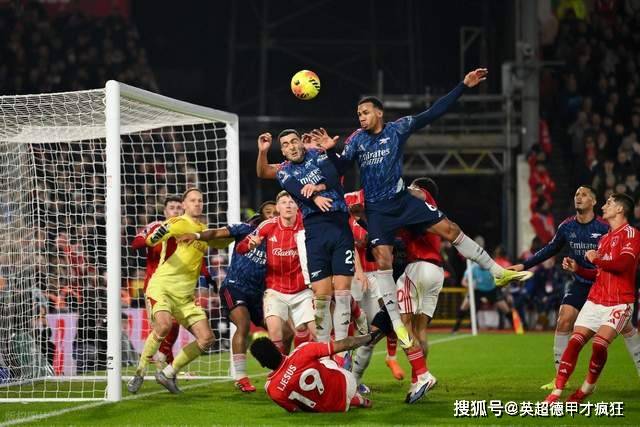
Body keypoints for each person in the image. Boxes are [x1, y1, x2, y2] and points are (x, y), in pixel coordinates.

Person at [310, 68, 532, 349]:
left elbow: (433, 113)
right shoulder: (356, 140)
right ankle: (397, 325)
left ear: (379, 113)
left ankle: (497, 272)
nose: (361, 117)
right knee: (383, 260)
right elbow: (341, 167)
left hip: (402, 201)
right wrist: (330, 151)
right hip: (377, 210)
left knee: (450, 229)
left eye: (365, 112)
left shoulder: (397, 129)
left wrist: (463, 86)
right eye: (358, 114)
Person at [507, 186, 634, 389]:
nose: (579, 197)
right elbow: (550, 249)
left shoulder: (605, 227)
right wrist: (523, 265)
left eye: (584, 194)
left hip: (604, 285)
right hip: (580, 283)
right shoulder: (567, 226)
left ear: (594, 201)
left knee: (627, 329)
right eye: (576, 194)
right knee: (564, 319)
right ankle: (559, 378)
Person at [255, 130, 355, 352]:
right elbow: (291, 187)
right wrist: (263, 152)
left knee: (342, 292)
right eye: (285, 145)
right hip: (314, 231)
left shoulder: (318, 154)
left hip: (339, 225)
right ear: (282, 151)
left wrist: (318, 185)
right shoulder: (284, 171)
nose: (291, 146)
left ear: (301, 142)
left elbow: (333, 176)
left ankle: (343, 352)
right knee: (321, 295)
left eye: (294, 141)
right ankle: (325, 353)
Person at [545, 193, 640, 403]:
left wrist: (596, 259)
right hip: (595, 300)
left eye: (609, 203)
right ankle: (557, 391)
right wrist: (578, 269)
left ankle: (587, 388)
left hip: (619, 302)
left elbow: (622, 265)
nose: (604, 206)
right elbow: (599, 274)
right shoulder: (604, 239)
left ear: (620, 209)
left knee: (599, 345)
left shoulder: (632, 234)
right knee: (574, 342)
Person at [176, 200, 277, 392]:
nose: (272, 215)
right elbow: (216, 233)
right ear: (261, 215)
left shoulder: (280, 239)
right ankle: (241, 377)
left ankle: (280, 370)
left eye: (275, 212)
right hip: (234, 287)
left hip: (259, 294)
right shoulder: (246, 230)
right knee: (243, 325)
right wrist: (196, 235)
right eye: (268, 212)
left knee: (281, 330)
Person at [129, 188, 221, 394]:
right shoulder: (172, 223)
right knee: (163, 326)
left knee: (206, 338)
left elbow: (198, 257)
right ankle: (139, 373)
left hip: (185, 296)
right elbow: (144, 240)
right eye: (192, 200)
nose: (197, 203)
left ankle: (168, 373)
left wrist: (207, 276)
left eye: (200, 200)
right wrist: (152, 237)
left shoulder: (202, 230)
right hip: (160, 287)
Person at [236, 191, 316, 354]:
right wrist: (249, 245)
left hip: (303, 289)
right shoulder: (268, 226)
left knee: (317, 332)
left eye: (292, 202)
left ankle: (323, 363)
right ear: (278, 207)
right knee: (275, 333)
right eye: (284, 202)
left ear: (297, 207)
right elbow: (240, 248)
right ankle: (280, 368)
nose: (288, 206)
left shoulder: (307, 224)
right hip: (275, 290)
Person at [345, 189, 404, 381]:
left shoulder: (380, 206)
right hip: (353, 275)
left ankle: (387, 359)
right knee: (348, 327)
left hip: (378, 274)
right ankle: (344, 374)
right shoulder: (347, 204)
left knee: (384, 318)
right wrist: (359, 270)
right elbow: (348, 243)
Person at [128, 196, 183, 387]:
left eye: (178, 207)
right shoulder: (155, 226)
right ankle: (143, 372)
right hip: (155, 287)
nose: (175, 210)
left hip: (177, 288)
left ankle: (164, 371)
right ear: (165, 211)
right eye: (172, 207)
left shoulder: (186, 230)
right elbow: (135, 243)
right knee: (163, 327)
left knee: (172, 328)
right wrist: (155, 237)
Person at [251, 333, 380, 412]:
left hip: (330, 409)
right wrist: (370, 336)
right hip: (347, 384)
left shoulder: (272, 389)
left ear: (262, 364)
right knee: (326, 359)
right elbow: (348, 343)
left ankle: (355, 401)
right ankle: (346, 370)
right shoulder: (303, 350)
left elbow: (296, 410)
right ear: (277, 349)